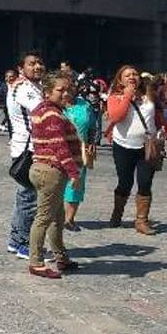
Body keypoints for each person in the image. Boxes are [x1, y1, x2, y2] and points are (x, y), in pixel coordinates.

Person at [105, 67, 167, 234]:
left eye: (135, 74)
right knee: (125, 183)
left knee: (145, 182)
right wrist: (128, 95)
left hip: (147, 147)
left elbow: (160, 120)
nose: (132, 77)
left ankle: (142, 221)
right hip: (123, 146)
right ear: (120, 80)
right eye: (127, 75)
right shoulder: (115, 97)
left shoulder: (149, 95)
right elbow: (116, 117)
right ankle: (117, 213)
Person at [27, 73, 83, 279]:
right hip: (51, 170)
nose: (65, 93)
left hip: (42, 168)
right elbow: (59, 145)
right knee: (44, 217)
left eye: (68, 89)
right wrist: (73, 172)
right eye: (60, 90)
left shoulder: (45, 110)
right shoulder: (51, 114)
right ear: (48, 92)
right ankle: (36, 261)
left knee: (57, 216)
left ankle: (61, 256)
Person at [6, 51, 45, 259]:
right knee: (29, 197)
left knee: (25, 195)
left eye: (40, 63)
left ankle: (15, 239)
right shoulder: (23, 88)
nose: (37, 67)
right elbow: (41, 111)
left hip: (30, 147)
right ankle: (22, 242)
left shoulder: (34, 86)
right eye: (32, 64)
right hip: (28, 149)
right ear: (21, 68)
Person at [61, 84, 98, 230]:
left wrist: (92, 142)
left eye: (70, 87)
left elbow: (93, 125)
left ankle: (69, 219)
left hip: (80, 149)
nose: (67, 91)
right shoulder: (55, 106)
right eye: (63, 88)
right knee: (57, 183)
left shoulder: (85, 105)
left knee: (76, 183)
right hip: (58, 149)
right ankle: (55, 216)